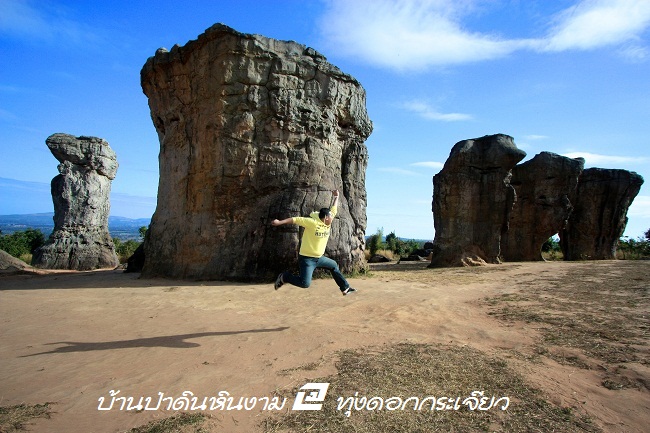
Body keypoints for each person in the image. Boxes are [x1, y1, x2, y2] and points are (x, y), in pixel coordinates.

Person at [271, 189, 357, 296]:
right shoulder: (312, 222)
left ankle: (345, 288)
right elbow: (295, 219)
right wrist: (279, 222)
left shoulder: (328, 222)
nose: (332, 217)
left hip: (319, 258)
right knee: (305, 283)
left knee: (334, 265)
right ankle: (285, 277)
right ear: (326, 218)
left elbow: (334, 209)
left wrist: (336, 196)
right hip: (307, 259)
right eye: (330, 216)